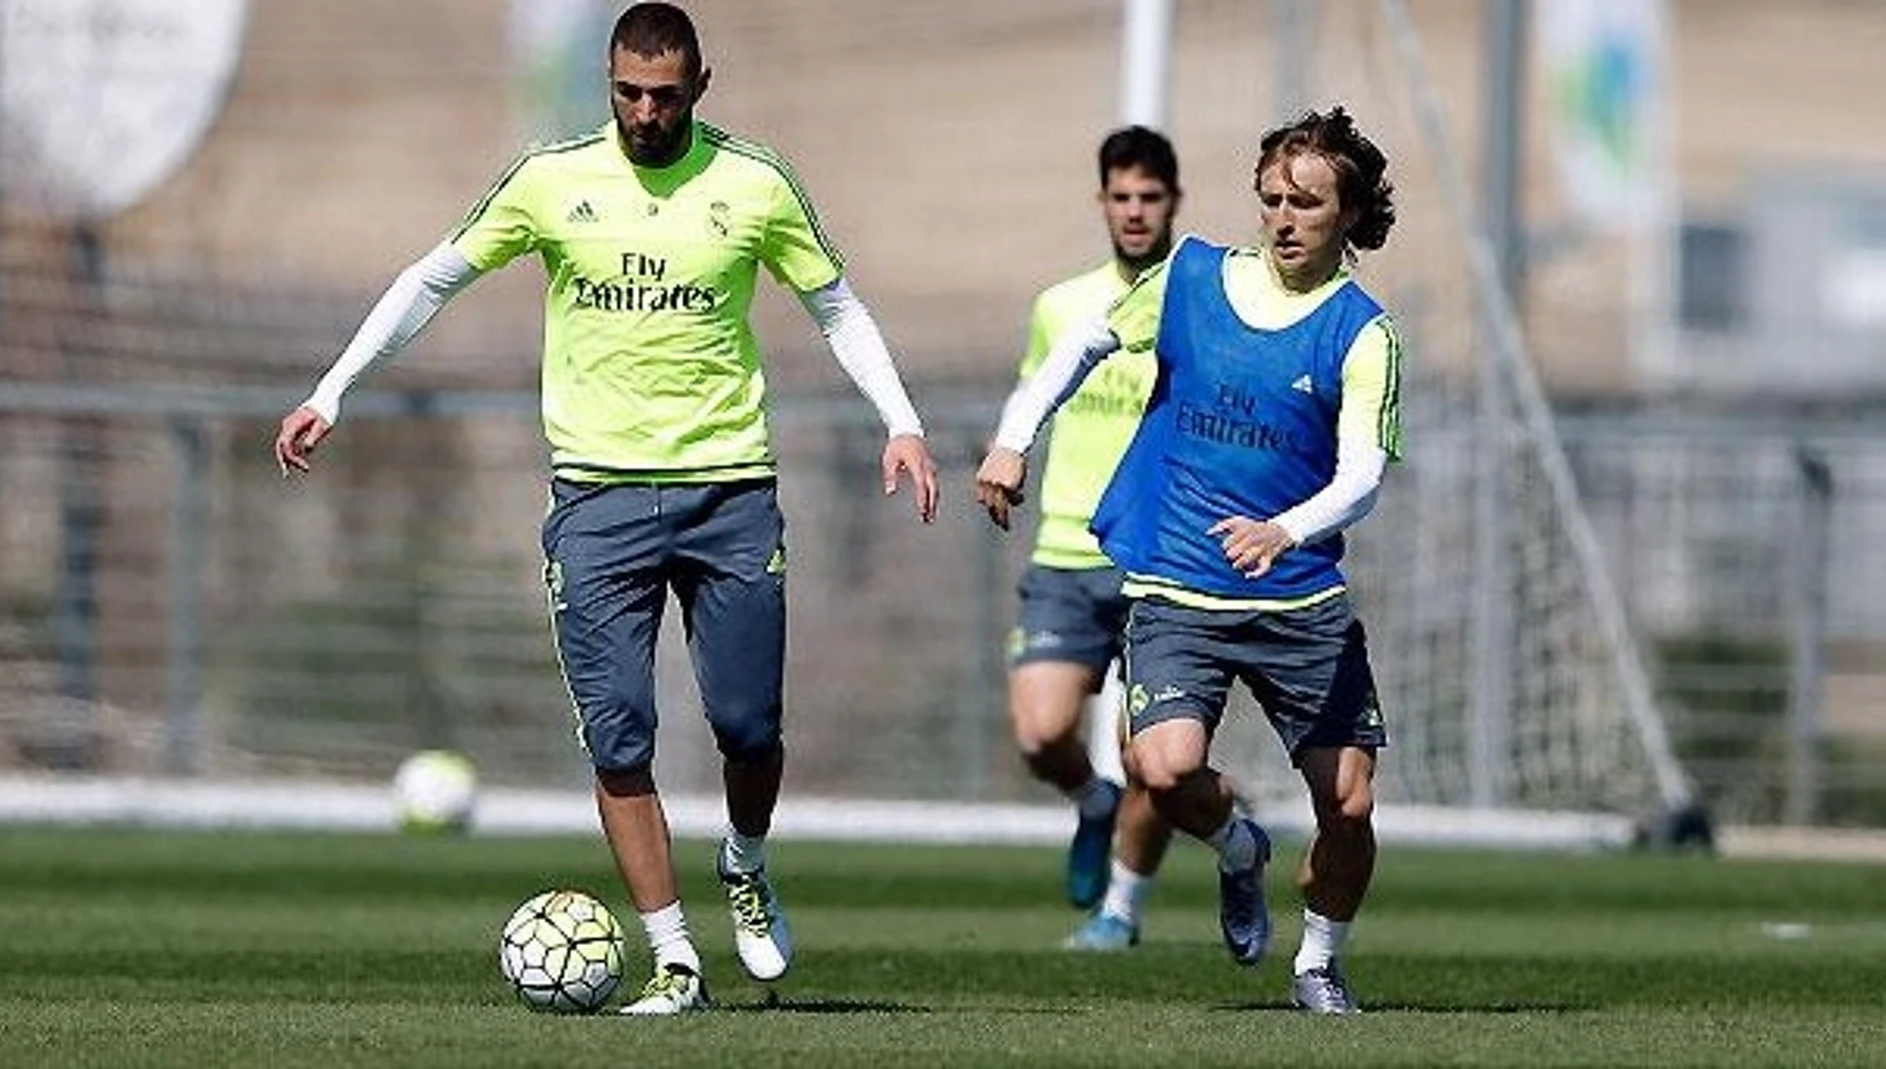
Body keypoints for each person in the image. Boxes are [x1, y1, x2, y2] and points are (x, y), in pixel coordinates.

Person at [274, 2, 939, 1016]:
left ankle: (745, 862)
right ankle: (676, 959)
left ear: (699, 86)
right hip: (595, 499)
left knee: (748, 728)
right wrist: (333, 389)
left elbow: (835, 306)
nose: (645, 112)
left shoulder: (754, 182)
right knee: (619, 739)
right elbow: (432, 278)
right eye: (628, 92)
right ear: (609, 85)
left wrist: (902, 422)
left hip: (729, 488)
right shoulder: (551, 180)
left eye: (664, 95)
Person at [975, 106, 1401, 1015]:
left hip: (1299, 601)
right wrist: (1014, 440)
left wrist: (1285, 530)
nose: (1283, 219)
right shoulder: (1193, 275)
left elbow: (1363, 474)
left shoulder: (1363, 333)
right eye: (1272, 199)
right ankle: (1239, 847)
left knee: (1350, 804)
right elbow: (1082, 343)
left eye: (1306, 203)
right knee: (1163, 768)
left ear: (1351, 214)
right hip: (1178, 583)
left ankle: (1318, 963)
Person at [1003, 126, 1180, 951]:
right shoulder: (1061, 306)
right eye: (1122, 197)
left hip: (1160, 560)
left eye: (1150, 197)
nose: (1135, 211)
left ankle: (1121, 908)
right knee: (1041, 734)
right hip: (1067, 555)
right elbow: (1036, 393)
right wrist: (1009, 450)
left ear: (1174, 201)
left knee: (1153, 758)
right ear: (1101, 202)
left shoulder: (1197, 308)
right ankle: (1090, 800)